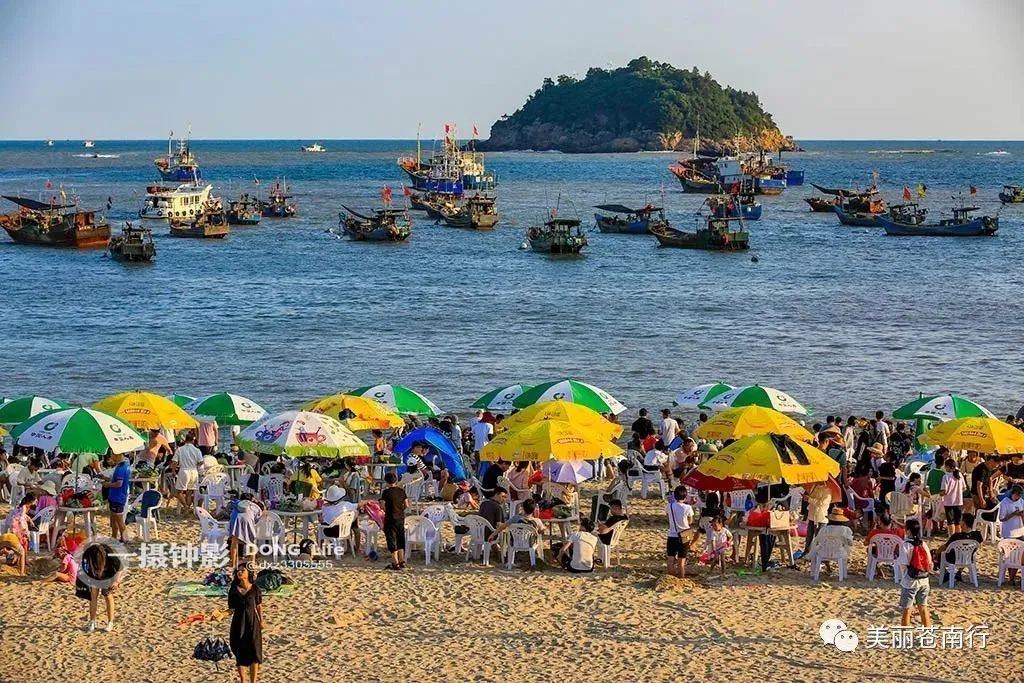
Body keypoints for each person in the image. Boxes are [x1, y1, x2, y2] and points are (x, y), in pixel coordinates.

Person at [228, 562, 264, 683]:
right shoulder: (233, 590)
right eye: (238, 570)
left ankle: (253, 681)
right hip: (238, 623)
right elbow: (231, 609)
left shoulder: (255, 589)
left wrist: (261, 621)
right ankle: (243, 680)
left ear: (249, 573)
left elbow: (258, 607)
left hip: (253, 623)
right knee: (239, 650)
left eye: (242, 570)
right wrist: (219, 615)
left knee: (255, 651)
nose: (240, 572)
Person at [897, 519, 932, 627]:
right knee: (923, 608)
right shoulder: (923, 544)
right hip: (924, 580)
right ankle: (928, 633)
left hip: (910, 581)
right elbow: (929, 562)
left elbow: (903, 564)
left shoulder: (906, 545)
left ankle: (904, 636)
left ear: (907, 531)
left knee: (907, 610)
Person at [81, 541, 122, 633]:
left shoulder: (111, 554)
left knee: (107, 595)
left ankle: (110, 622)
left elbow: (120, 568)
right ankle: (92, 621)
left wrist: (116, 581)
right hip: (94, 574)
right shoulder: (88, 554)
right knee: (93, 596)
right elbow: (84, 567)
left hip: (109, 575)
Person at [321, 485, 362, 556]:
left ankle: (322, 549)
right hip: (344, 531)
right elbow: (358, 505)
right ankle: (357, 549)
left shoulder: (325, 508)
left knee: (320, 528)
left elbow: (323, 520)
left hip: (330, 531)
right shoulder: (346, 505)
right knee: (353, 522)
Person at [379, 472, 408, 570]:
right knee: (400, 538)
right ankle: (402, 560)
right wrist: (400, 510)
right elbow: (406, 505)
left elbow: (382, 505)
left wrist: (388, 510)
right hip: (400, 517)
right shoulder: (401, 491)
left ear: (386, 481)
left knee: (391, 539)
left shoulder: (386, 492)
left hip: (390, 518)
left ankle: (395, 563)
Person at [101, 451, 131, 543]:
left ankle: (124, 538)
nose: (111, 457)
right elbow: (117, 480)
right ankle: (114, 537)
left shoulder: (121, 468)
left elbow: (119, 483)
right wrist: (106, 479)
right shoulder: (124, 466)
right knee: (114, 519)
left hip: (118, 497)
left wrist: (108, 484)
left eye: (112, 455)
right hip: (116, 497)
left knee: (119, 520)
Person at [172, 432, 204, 514]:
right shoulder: (197, 450)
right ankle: (188, 508)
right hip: (194, 471)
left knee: (178, 492)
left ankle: (186, 507)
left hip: (184, 470)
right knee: (189, 492)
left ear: (185, 440)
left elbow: (174, 462)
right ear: (193, 441)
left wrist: (173, 471)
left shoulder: (180, 449)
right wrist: (195, 464)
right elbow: (201, 462)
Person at [666, 486, 694, 578]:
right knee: (681, 561)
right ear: (685, 496)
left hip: (672, 535)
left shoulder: (669, 506)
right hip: (684, 535)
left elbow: (668, 517)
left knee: (671, 559)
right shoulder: (688, 507)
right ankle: (681, 578)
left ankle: (670, 578)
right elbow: (690, 521)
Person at [999, 485, 1024, 582]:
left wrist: (1021, 515)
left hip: (1020, 531)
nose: (1017, 498)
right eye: (1016, 495)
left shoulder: (1021, 501)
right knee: (1010, 557)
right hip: (1009, 532)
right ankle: (1011, 578)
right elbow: (1002, 518)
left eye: (1019, 496)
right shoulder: (1005, 502)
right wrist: (1013, 514)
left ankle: (1013, 577)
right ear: (1012, 494)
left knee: (1019, 557)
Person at [939, 458, 967, 535]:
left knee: (950, 520)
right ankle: (958, 536)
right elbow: (964, 488)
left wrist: (940, 493)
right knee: (957, 521)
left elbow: (944, 491)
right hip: (958, 501)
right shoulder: (959, 475)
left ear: (947, 466)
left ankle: (951, 536)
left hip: (949, 502)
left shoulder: (946, 476)